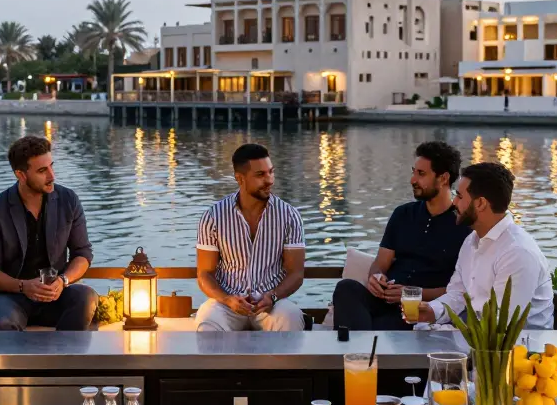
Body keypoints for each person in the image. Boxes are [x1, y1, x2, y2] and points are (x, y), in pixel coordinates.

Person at [332, 141, 471, 330]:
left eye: (421, 174)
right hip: (383, 301)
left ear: (443, 178)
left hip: (420, 310)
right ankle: (365, 340)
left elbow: (459, 291)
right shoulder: (402, 214)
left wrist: (412, 293)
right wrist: (376, 278)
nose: (413, 180)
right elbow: (380, 263)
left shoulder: (464, 226)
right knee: (346, 288)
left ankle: (363, 343)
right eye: (413, 172)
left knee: (380, 325)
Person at [0, 136, 98, 330]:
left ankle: (63, 350)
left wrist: (63, 281)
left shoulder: (68, 200)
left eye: (51, 166)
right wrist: (24, 286)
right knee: (4, 323)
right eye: (42, 171)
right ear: (21, 175)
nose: (52, 176)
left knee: (86, 298)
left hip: (54, 293)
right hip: (9, 296)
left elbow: (82, 253)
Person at [414, 162, 554, 329]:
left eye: (459, 196)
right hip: (478, 334)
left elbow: (500, 325)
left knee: (420, 333)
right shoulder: (472, 241)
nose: (454, 202)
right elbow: (458, 293)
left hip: (520, 342)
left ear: (480, 203)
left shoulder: (517, 252)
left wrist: (443, 329)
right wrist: (431, 311)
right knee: (419, 328)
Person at [195, 143, 306, 331]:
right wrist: (227, 299)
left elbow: (295, 273)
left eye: (271, 172)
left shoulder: (289, 216)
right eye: (260, 175)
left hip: (272, 302)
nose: (269, 180)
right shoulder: (214, 216)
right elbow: (205, 273)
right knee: (207, 323)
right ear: (240, 178)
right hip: (228, 302)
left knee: (291, 319)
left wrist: (273, 296)